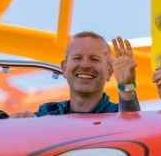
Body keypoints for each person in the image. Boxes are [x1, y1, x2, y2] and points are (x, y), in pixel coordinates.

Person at [10, 32, 140, 117]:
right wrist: (13, 121)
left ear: (109, 72)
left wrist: (127, 86)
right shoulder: (48, 114)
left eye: (94, 59)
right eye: (77, 58)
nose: (85, 65)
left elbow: (131, 127)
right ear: (64, 68)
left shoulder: (116, 116)